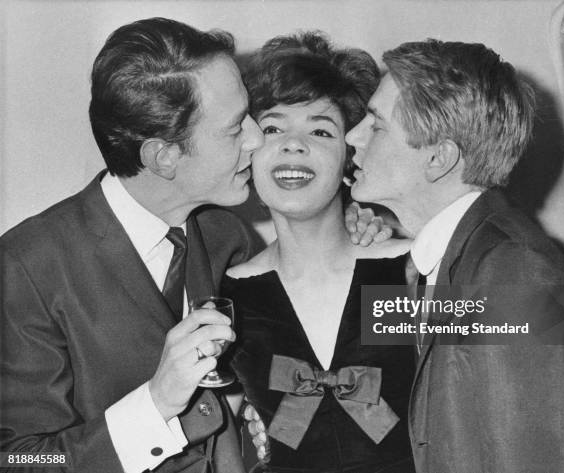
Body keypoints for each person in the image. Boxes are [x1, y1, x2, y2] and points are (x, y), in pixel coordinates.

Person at [0, 18, 264, 473]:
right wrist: (155, 403)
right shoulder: (27, 266)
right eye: (236, 127)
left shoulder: (229, 237)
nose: (258, 138)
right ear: (164, 157)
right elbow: (16, 458)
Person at [345, 39, 564, 473]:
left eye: (374, 126)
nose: (352, 135)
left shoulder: (516, 274)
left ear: (439, 158)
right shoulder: (455, 258)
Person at [222, 32, 416, 473]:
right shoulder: (231, 293)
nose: (293, 143)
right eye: (272, 127)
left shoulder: (411, 268)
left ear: (350, 156)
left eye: (320, 129)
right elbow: (212, 439)